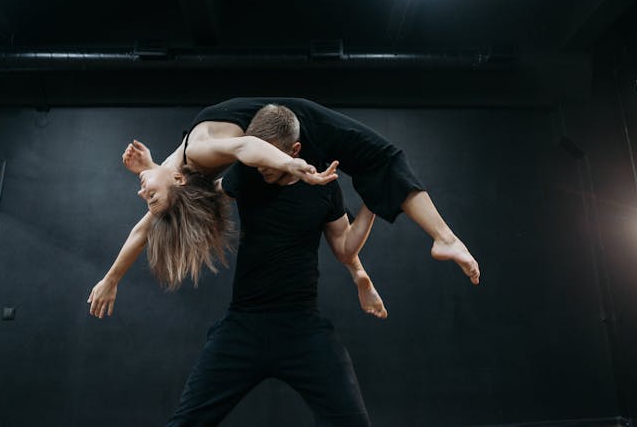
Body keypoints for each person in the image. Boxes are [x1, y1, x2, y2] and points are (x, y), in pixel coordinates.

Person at [87, 97, 478, 319]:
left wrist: (112, 278)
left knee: (371, 170)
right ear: (178, 182)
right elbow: (243, 149)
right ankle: (445, 239)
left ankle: (437, 241)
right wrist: (289, 163)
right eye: (150, 197)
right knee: (384, 157)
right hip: (292, 125)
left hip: (279, 131)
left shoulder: (186, 162)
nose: (142, 195)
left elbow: (148, 217)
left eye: (146, 196)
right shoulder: (194, 154)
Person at [167, 107, 377, 426]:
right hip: (244, 326)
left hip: (301, 328)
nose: (263, 165)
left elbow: (345, 247)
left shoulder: (324, 189)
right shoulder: (247, 173)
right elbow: (206, 198)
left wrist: (373, 203)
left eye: (271, 157)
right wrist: (171, 183)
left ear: (294, 151)